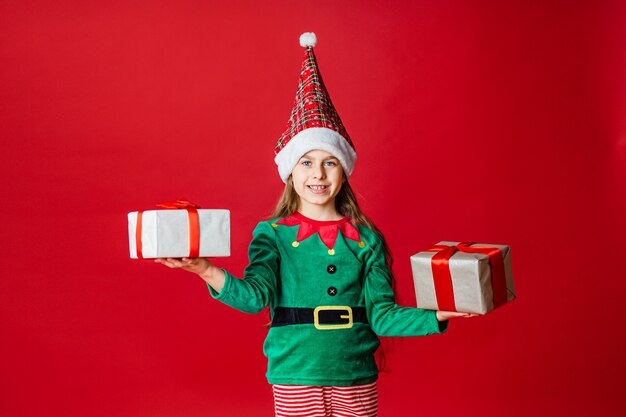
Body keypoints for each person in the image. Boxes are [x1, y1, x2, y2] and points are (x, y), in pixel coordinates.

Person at [155, 32, 475, 417]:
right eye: (306, 162)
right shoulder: (271, 234)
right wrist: (203, 269)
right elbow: (255, 297)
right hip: (294, 373)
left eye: (330, 162)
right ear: (291, 173)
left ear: (344, 171)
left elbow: (383, 316)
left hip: (355, 374)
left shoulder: (367, 239)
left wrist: (438, 315)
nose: (318, 173)